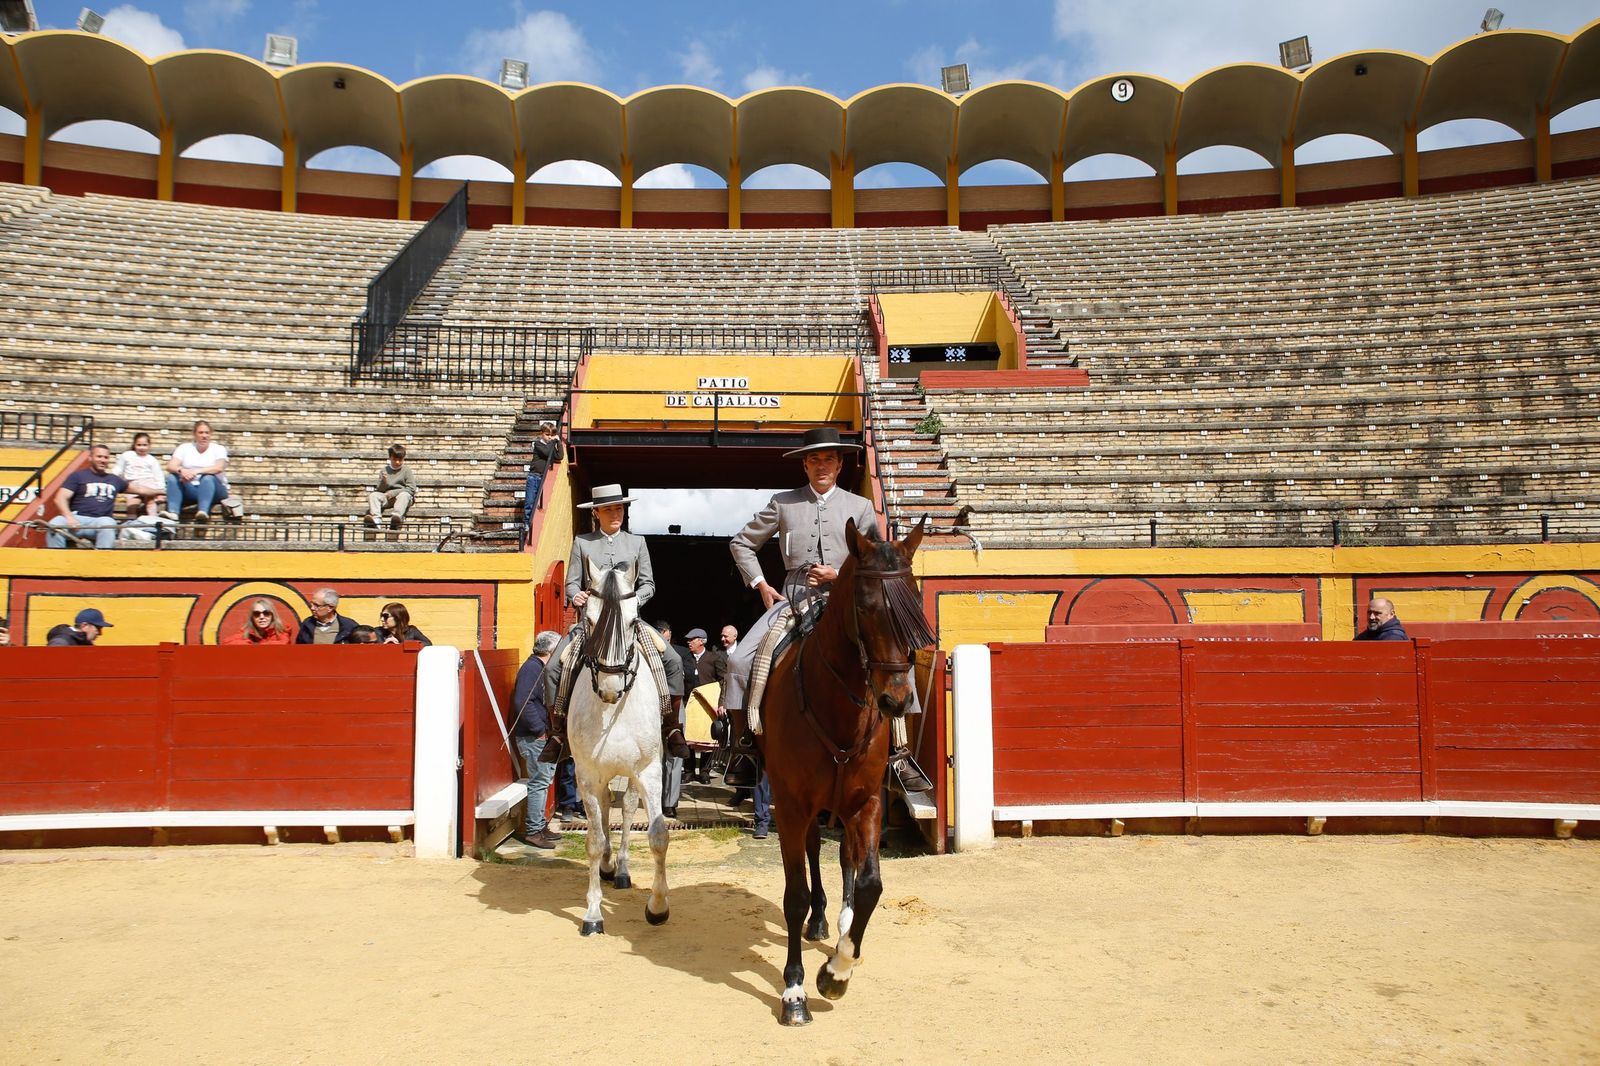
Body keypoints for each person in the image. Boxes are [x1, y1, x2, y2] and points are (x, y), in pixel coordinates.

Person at [725, 426, 933, 792]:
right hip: (794, 598)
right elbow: (742, 543)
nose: (822, 466)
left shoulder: (861, 507)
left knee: (894, 655)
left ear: (839, 465)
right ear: (805, 466)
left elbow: (876, 559)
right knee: (740, 660)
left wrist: (839, 575)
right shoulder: (783, 503)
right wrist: (761, 584)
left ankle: (898, 754)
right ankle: (745, 750)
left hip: (850, 600)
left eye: (829, 459)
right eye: (814, 460)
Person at [539, 484, 690, 764]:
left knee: (673, 661)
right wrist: (577, 595)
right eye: (609, 509)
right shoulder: (583, 543)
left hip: (628, 622)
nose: (615, 513)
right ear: (596, 513)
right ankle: (558, 733)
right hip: (592, 624)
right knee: (552, 668)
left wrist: (631, 601)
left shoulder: (637, 543)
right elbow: (572, 582)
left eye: (619, 508)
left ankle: (670, 728)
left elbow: (648, 584)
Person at [511, 630, 563, 848]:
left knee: (543, 781)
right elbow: (523, 701)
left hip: (538, 735)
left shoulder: (537, 667)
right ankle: (533, 830)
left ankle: (539, 826)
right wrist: (540, 729)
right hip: (534, 737)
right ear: (551, 650)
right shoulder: (533, 669)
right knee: (539, 782)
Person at [47, 444, 127, 549]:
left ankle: (102, 560)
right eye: (99, 456)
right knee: (55, 523)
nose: (103, 460)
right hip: (76, 519)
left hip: (100, 521)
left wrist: (156, 491)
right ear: (90, 458)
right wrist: (69, 517)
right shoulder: (77, 476)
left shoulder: (114, 480)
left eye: (106, 457)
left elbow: (139, 489)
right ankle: (55, 560)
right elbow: (60, 498)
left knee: (108, 525)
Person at [654, 621, 689, 819]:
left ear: (668, 634)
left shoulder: (680, 654)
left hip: (675, 704)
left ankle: (669, 802)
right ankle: (656, 799)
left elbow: (692, 678)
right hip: (651, 705)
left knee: (674, 756)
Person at [162, 420, 228, 524]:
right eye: (201, 433)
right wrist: (182, 471)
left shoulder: (218, 449)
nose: (204, 436)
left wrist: (196, 471)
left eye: (207, 433)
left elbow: (219, 467)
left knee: (207, 477)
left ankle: (203, 511)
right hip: (191, 487)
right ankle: (173, 512)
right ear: (195, 434)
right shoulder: (184, 448)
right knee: (172, 477)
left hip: (215, 489)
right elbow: (171, 466)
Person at [685, 627, 725, 784]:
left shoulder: (714, 658)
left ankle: (704, 771)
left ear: (701, 641)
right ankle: (688, 771)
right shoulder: (685, 658)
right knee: (688, 737)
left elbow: (723, 680)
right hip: (689, 703)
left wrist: (720, 701)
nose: (689, 642)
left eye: (692, 639)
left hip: (708, 704)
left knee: (708, 737)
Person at [112, 432, 166, 518]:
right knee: (131, 504)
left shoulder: (151, 460)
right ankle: (131, 523)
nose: (142, 447)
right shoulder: (127, 455)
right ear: (134, 445)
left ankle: (153, 520)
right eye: (139, 445)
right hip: (133, 485)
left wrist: (160, 490)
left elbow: (158, 475)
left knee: (150, 501)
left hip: (148, 483)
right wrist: (113, 477)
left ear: (149, 446)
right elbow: (118, 468)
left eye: (145, 445)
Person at [366, 444, 418, 531]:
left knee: (404, 495)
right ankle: (376, 521)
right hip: (388, 498)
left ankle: (396, 519)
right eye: (394, 459)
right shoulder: (384, 470)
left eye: (400, 460)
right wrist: (384, 482)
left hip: (403, 499)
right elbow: (379, 490)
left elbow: (411, 489)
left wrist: (393, 493)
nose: (397, 462)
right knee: (373, 495)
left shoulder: (406, 470)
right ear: (390, 458)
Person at [523, 420, 562, 530]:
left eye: (552, 435)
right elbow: (546, 452)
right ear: (542, 433)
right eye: (547, 435)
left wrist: (558, 442)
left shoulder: (551, 445)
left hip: (542, 476)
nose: (550, 437)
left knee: (537, 501)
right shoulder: (538, 444)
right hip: (534, 476)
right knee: (530, 500)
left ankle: (531, 523)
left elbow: (559, 456)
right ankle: (526, 523)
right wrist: (553, 442)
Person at [222, 598, 293, 645]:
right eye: (257, 614)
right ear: (252, 617)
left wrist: (256, 646)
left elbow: (283, 643)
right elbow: (226, 642)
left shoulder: (281, 630)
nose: (261, 617)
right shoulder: (248, 632)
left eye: (266, 613)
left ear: (272, 615)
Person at [46, 607, 113, 646]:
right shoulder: (61, 642)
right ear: (84, 625)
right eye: (98, 628)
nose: (100, 633)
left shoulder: (82, 642)